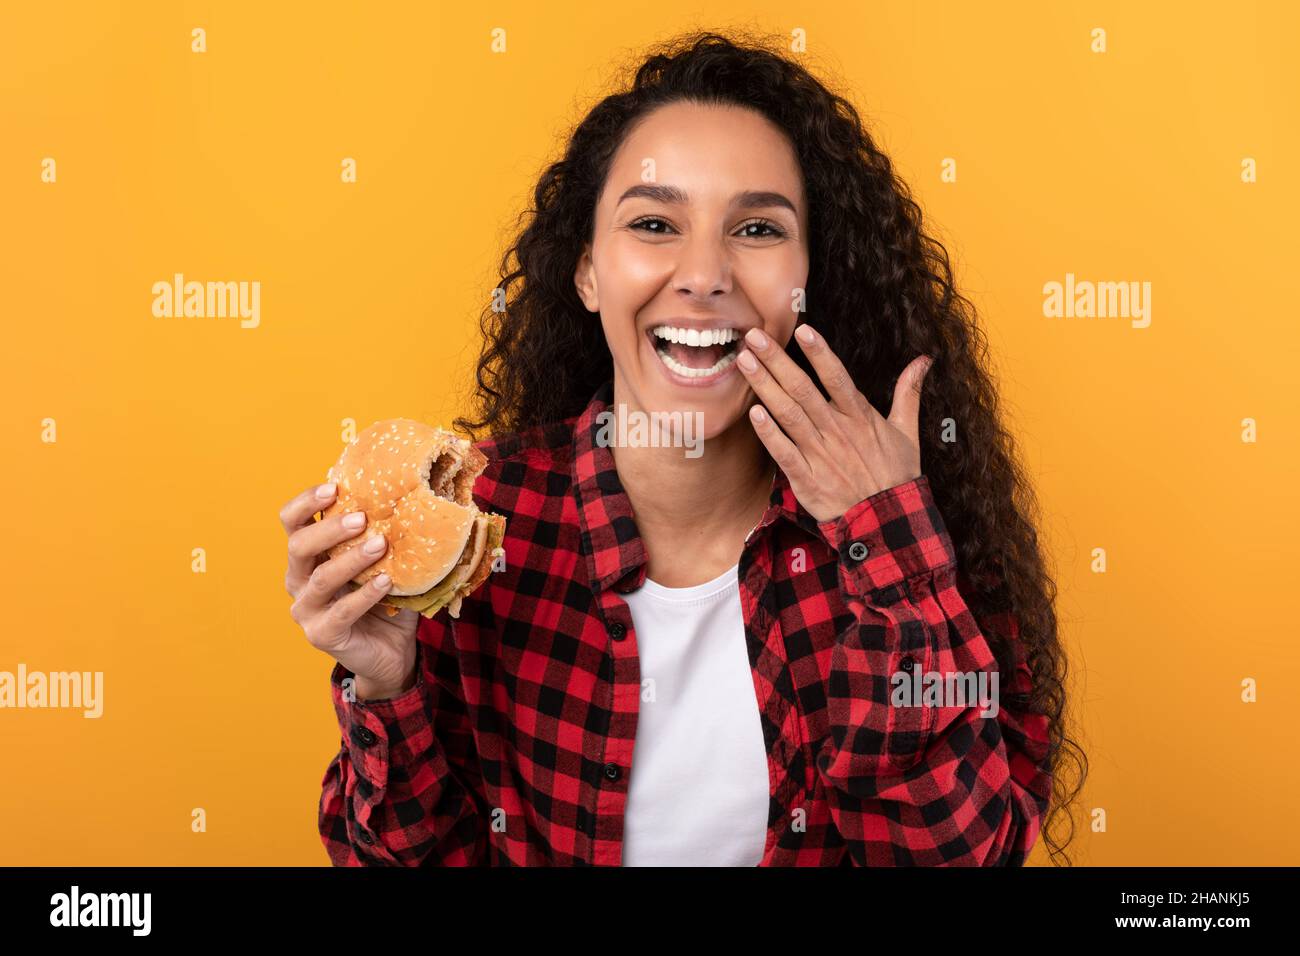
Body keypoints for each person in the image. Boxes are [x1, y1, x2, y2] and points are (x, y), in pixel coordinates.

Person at [280, 30, 1084, 866]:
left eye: (759, 229)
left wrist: (890, 546)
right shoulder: (473, 533)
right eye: (656, 222)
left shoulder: (904, 532)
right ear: (588, 273)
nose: (704, 274)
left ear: (812, 279)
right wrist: (384, 683)